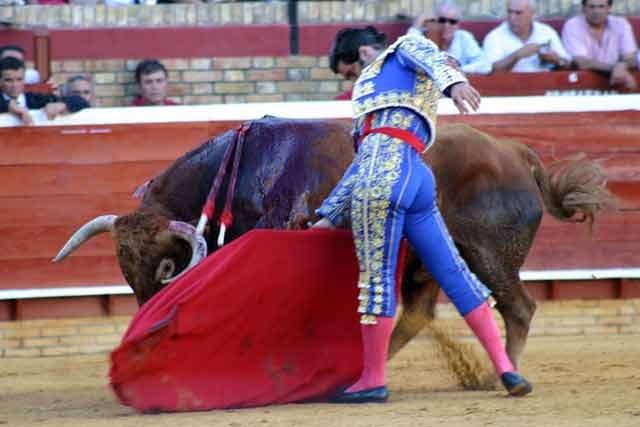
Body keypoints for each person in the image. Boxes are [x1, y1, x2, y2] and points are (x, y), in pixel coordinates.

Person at [313, 26, 532, 404]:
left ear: (364, 53)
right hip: (416, 175)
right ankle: (506, 368)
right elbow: (363, 162)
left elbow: (432, 56)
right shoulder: (387, 86)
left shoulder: (404, 47)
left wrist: (455, 85)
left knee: (376, 282)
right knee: (456, 274)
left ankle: (372, 380)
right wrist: (328, 214)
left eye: (349, 72)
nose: (352, 82)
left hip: (384, 177)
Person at [561, 0, 638, 90]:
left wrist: (622, 66)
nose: (596, 11)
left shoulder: (621, 24)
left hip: (618, 81)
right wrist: (616, 69)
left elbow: (630, 57)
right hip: (584, 83)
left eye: (601, 7)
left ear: (609, 8)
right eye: (592, 7)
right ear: (583, 9)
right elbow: (581, 62)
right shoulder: (573, 25)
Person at [483, 0, 572, 72]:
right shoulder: (495, 36)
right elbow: (490, 70)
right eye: (509, 12)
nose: (512, 17)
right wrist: (517, 55)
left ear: (532, 14)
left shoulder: (546, 32)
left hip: (544, 86)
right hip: (508, 89)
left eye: (518, 13)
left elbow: (569, 65)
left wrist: (556, 59)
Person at [0, 57, 88, 125]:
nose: (15, 85)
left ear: (24, 80)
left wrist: (63, 105)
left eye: (19, 79)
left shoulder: (35, 99)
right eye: (8, 80)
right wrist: (8, 105)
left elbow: (81, 101)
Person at [418, 1, 492, 74]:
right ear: (434, 21)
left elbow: (485, 65)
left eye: (452, 21)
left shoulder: (464, 37)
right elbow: (408, 56)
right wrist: (416, 27)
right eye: (442, 20)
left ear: (458, 24)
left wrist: (460, 69)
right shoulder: (424, 37)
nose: (447, 25)